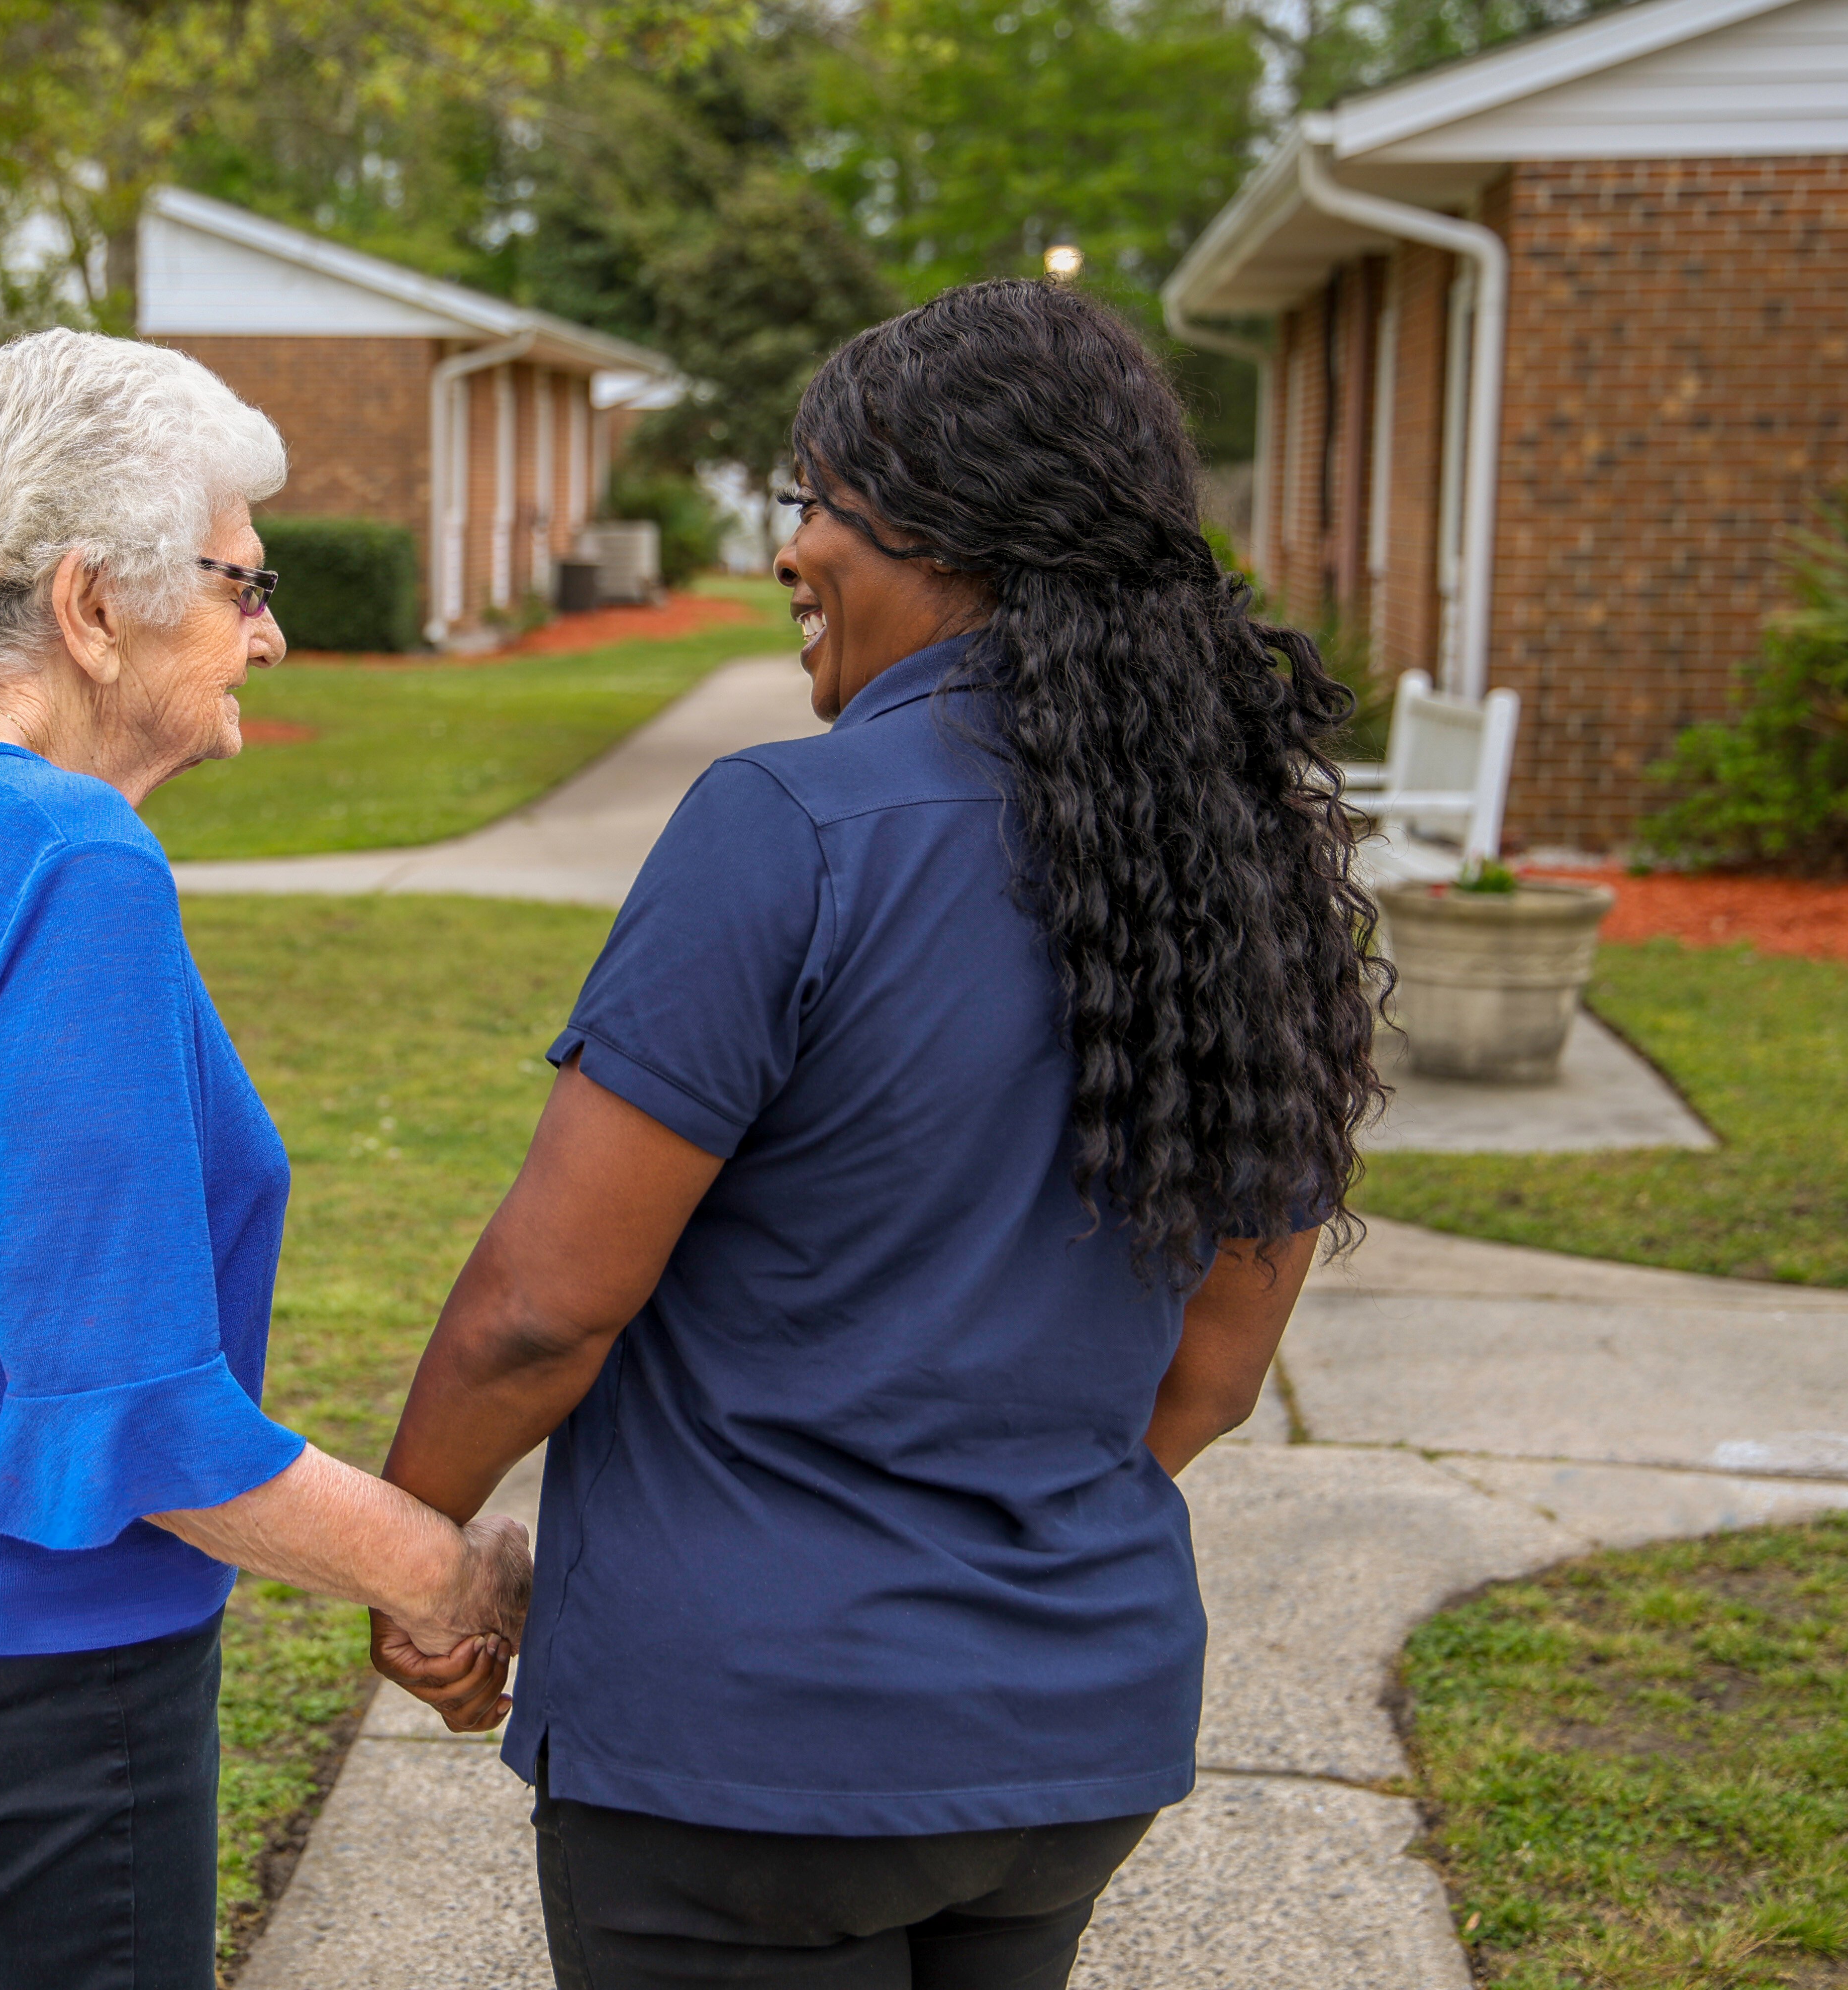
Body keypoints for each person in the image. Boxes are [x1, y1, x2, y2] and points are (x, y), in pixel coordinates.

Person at [374, 279, 1386, 1989]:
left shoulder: (786, 827)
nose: (789, 551)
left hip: (742, 1757)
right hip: (1067, 1738)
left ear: (937, 520)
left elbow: (543, 1310)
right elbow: (1211, 1378)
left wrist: (415, 1551)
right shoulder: (1244, 865)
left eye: (812, 500)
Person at [0, 328, 529, 1990]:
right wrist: (443, 1572)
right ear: (91, 607)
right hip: (13, 1657)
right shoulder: (67, 855)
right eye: (241, 583)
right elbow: (137, 1422)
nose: (271, 634)